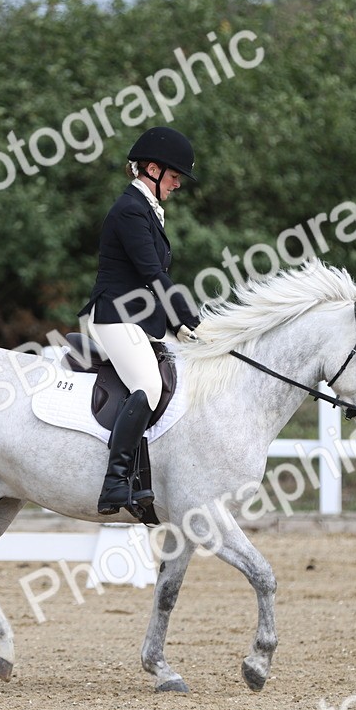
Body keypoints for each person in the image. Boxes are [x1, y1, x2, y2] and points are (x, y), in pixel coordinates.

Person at [77, 126, 203, 515]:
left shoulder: (146, 209)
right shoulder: (131, 209)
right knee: (147, 384)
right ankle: (115, 483)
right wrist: (189, 319)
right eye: (175, 176)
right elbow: (152, 275)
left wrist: (177, 326)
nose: (178, 184)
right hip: (113, 317)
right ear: (152, 169)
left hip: (137, 317)